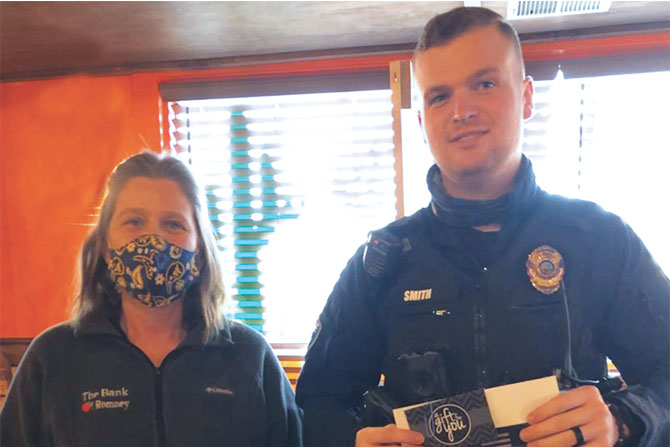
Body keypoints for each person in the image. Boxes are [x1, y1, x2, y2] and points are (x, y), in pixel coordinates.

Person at [295, 7, 669, 447]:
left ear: (526, 97)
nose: (461, 111)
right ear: (422, 122)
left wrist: (622, 420)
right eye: (439, 97)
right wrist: (353, 440)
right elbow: (315, 406)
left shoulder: (600, 240)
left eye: (485, 84)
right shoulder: (379, 263)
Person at [0, 152, 303, 446]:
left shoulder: (249, 356)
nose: (153, 240)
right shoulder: (52, 357)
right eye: (134, 221)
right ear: (105, 247)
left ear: (199, 249)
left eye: (173, 224)